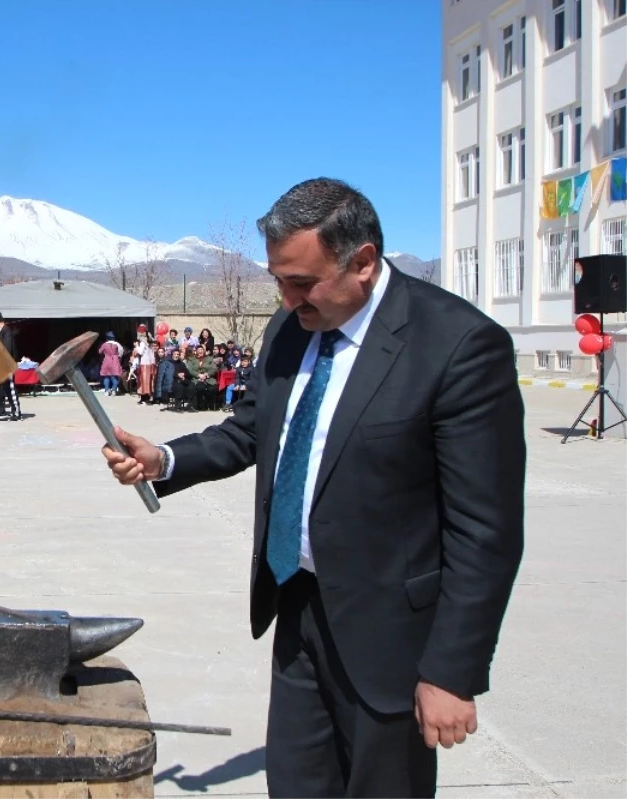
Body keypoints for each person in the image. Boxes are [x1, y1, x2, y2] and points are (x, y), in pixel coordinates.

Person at [102, 178, 525, 798]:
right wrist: (165, 458)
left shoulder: (456, 346)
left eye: (301, 282)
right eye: (278, 279)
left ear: (363, 263)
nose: (286, 297)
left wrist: (451, 671)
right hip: (297, 609)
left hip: (391, 638)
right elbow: (253, 429)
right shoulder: (291, 327)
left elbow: (484, 531)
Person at [0, 311, 21, 421]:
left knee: (10, 388)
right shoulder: (0, 333)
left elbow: (7, 349)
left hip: (7, 366)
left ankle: (16, 412)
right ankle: (0, 410)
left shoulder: (6, 331)